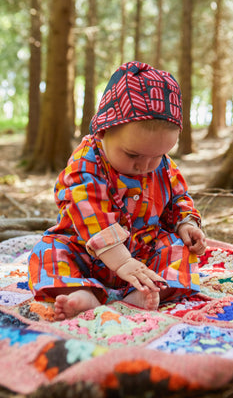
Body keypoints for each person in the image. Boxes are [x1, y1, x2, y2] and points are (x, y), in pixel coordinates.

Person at [28, 61, 206, 321]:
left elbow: (178, 198)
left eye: (158, 155)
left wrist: (185, 223)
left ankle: (145, 292)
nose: (144, 166)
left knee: (179, 252)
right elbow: (91, 215)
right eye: (133, 154)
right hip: (86, 252)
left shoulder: (163, 167)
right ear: (103, 131)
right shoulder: (85, 164)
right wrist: (121, 262)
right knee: (47, 253)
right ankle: (83, 292)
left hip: (144, 255)